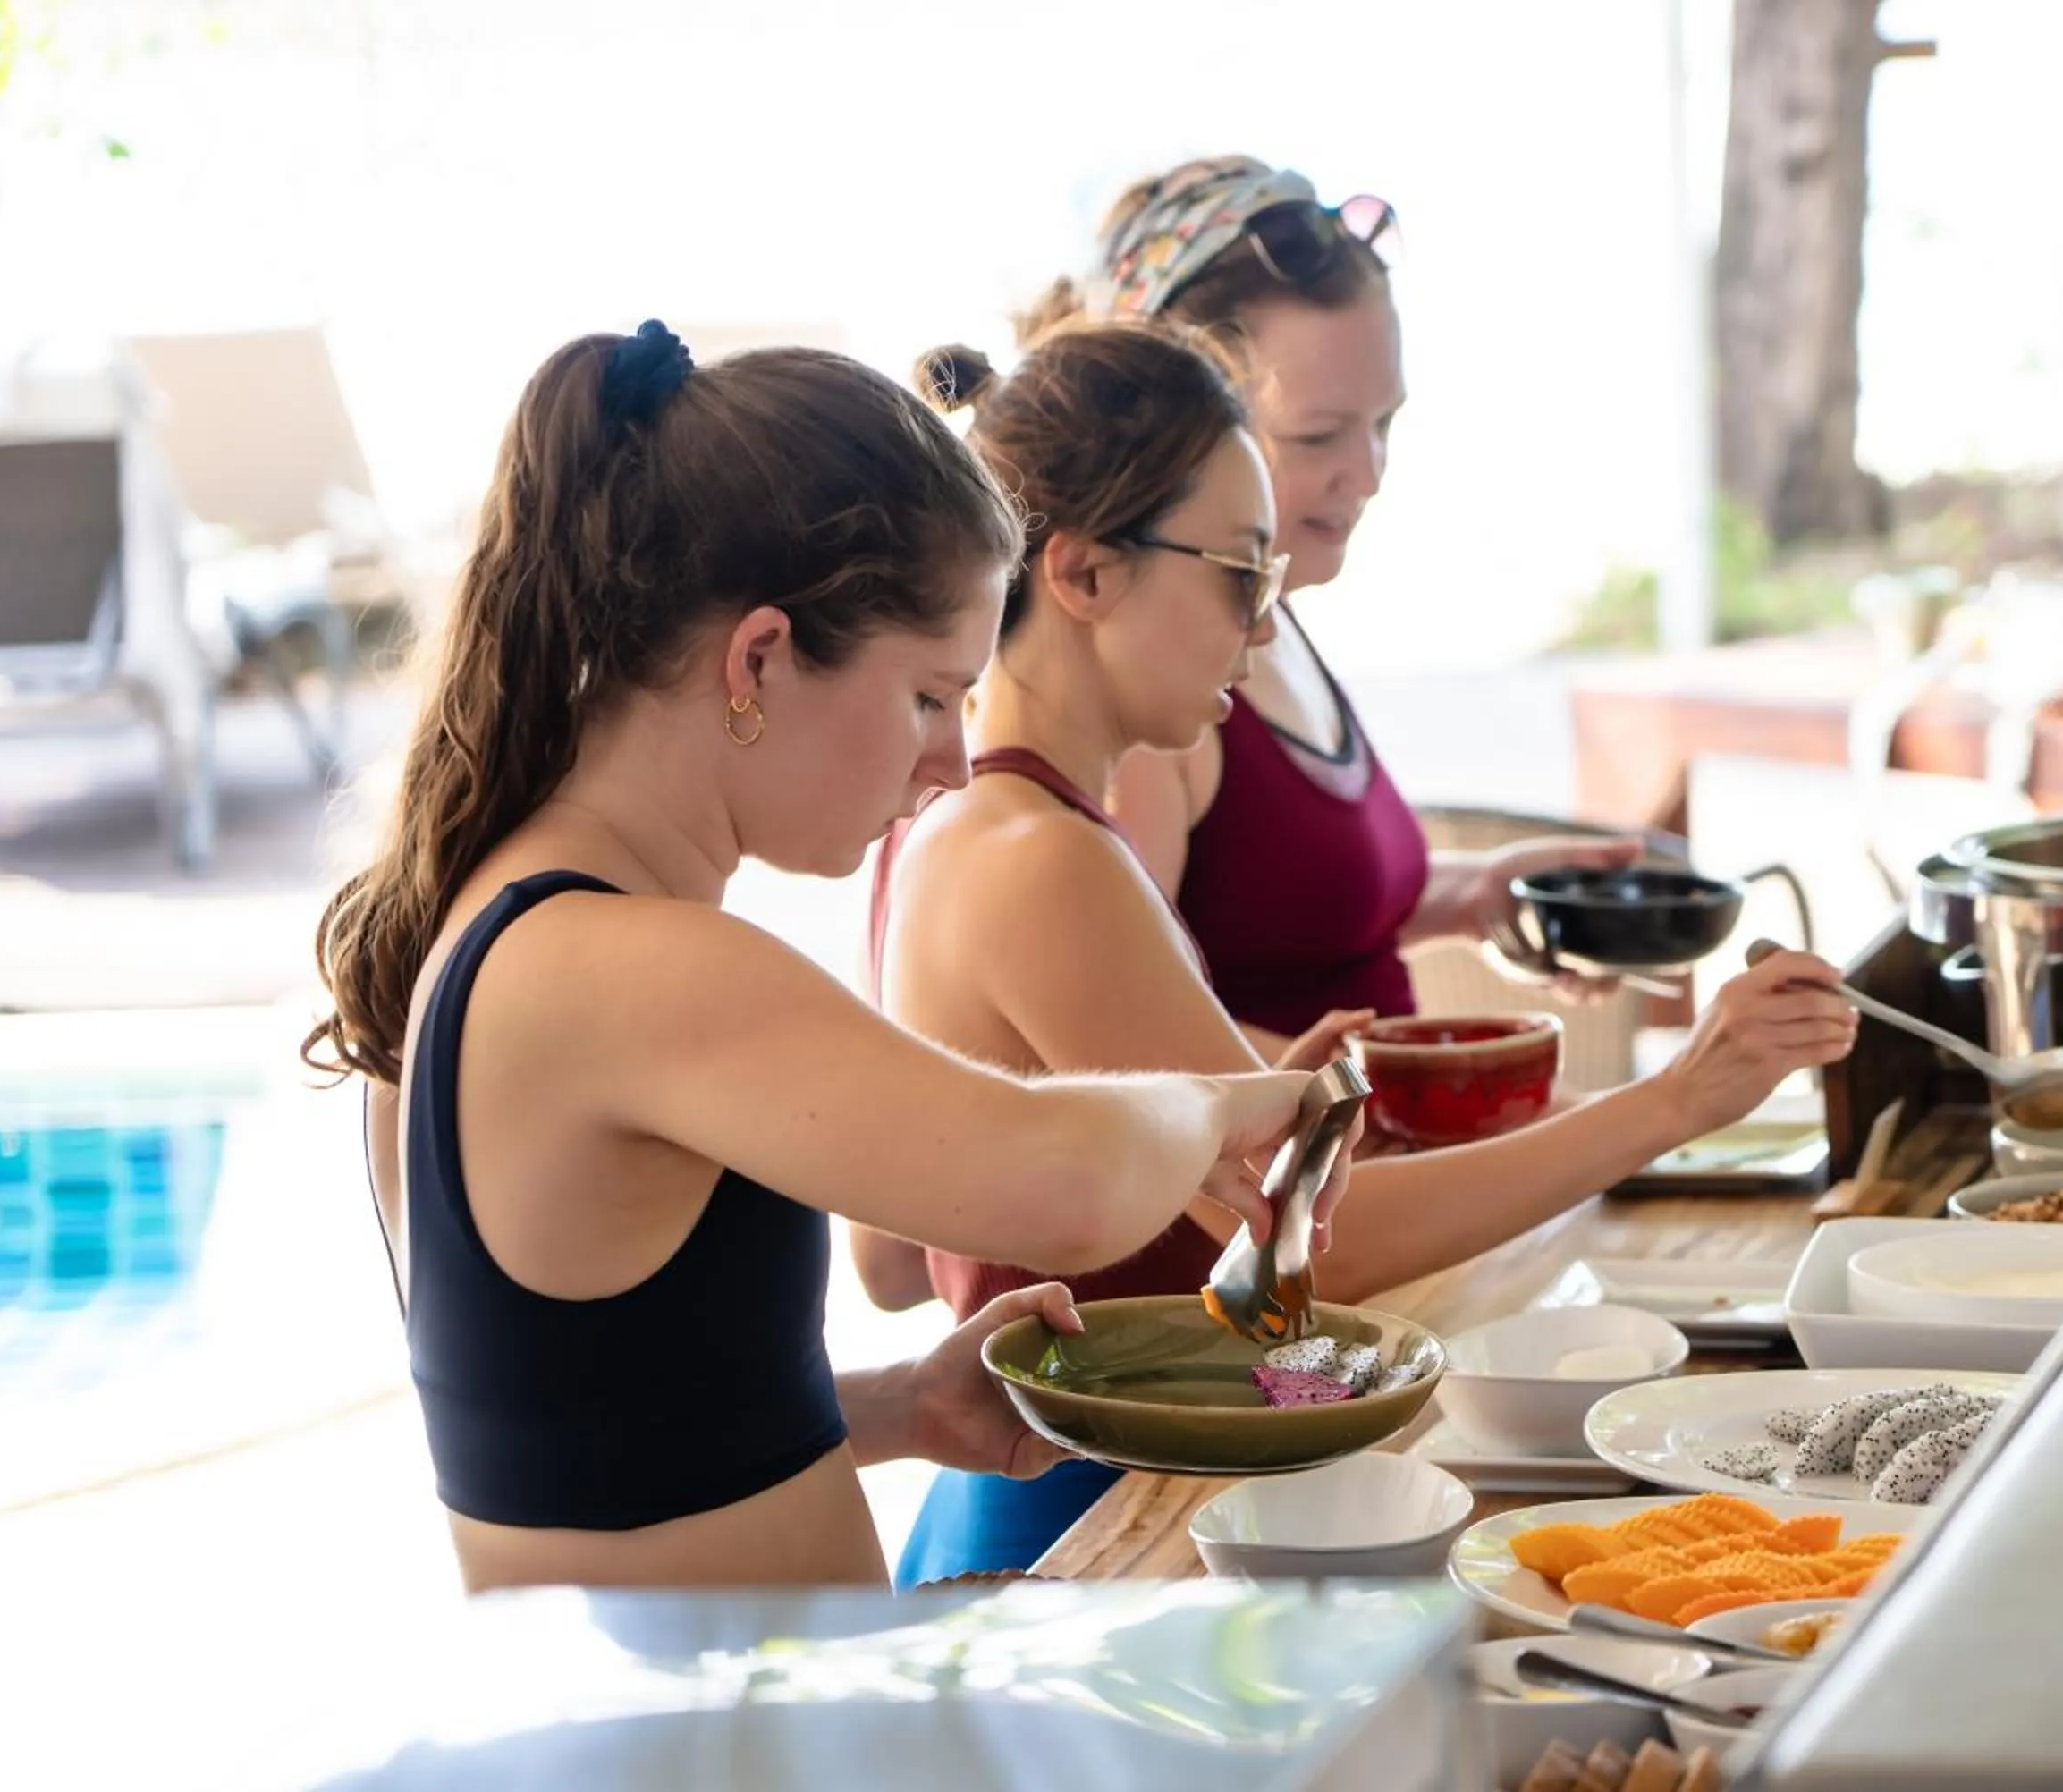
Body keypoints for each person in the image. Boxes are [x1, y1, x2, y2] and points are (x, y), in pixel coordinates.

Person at [305, 320, 1340, 1594]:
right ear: (758, 659)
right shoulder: (632, 965)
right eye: (926, 696)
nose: (952, 761)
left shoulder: (487, 924)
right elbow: (1061, 1182)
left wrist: (900, 1409)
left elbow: (583, 1431)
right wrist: (1233, 1103)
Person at [860, 321, 1856, 1581]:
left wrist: (1294, 1105)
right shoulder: (1038, 854)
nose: (1263, 630)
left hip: (1118, 1470)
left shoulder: (1014, 827)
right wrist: (1679, 1098)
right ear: (1084, 574)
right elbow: (1318, 1245)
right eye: (1239, 575)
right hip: (1082, 1510)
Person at [1019, 154, 1645, 1052]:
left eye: (1384, 422)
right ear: (1169, 422)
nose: (1370, 475)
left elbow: (1277, 917)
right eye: (1318, 435)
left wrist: (1472, 898)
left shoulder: (1271, 615)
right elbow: (1126, 1042)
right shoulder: (1149, 689)